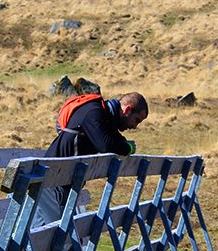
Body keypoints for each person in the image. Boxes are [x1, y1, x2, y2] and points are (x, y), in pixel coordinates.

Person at [36, 92, 148, 225]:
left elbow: (117, 142)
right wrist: (127, 148)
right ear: (127, 109)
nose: (135, 126)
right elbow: (105, 145)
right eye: (136, 120)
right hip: (48, 183)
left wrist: (125, 146)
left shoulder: (106, 119)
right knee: (51, 236)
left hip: (62, 184)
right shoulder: (93, 111)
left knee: (54, 237)